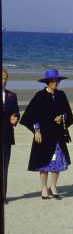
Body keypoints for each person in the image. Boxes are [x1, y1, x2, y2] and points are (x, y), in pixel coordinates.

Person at [20, 69, 73, 200]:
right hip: (43, 135)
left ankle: (54, 186)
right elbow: (30, 115)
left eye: (57, 81)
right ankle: (44, 188)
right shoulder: (39, 96)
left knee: (56, 162)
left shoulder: (61, 95)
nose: (56, 83)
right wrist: (36, 131)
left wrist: (62, 117)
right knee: (44, 163)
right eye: (53, 81)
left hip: (58, 135)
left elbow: (68, 114)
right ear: (47, 82)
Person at [2, 69, 20, 203]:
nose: (4, 81)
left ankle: (3, 197)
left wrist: (15, 119)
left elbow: (16, 113)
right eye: (2, 78)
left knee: (4, 167)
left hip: (6, 136)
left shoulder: (12, 96)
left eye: (5, 78)